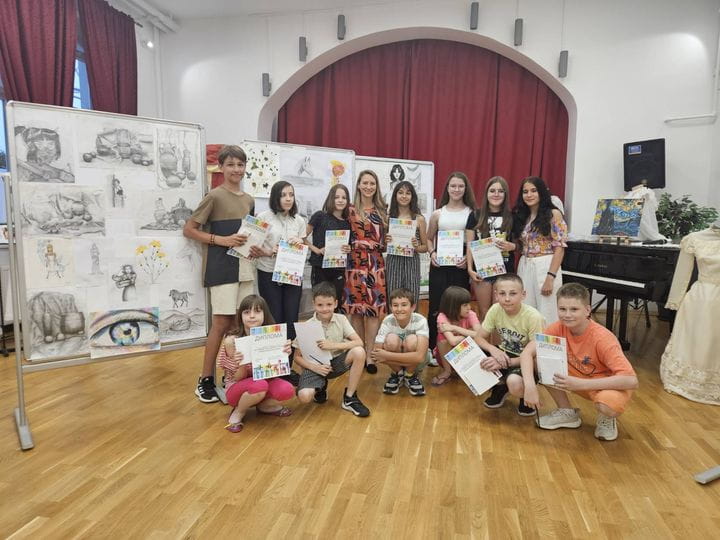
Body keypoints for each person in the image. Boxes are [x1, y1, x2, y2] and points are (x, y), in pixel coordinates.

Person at [520, 283, 639, 441]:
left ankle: (607, 418)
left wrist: (581, 384)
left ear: (587, 310)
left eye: (574, 309)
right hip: (575, 379)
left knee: (607, 405)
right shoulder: (557, 327)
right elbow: (527, 352)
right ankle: (567, 412)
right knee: (539, 358)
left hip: (605, 385)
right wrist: (529, 386)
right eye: (562, 309)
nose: (567, 315)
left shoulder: (603, 338)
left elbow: (631, 381)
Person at [183, 145, 254, 403]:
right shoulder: (213, 196)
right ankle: (205, 379)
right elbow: (189, 229)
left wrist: (256, 248)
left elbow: (249, 235)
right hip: (221, 267)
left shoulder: (249, 200)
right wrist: (220, 240)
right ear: (221, 167)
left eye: (240, 164)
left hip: (245, 267)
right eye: (231, 164)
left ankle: (232, 375)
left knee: (240, 324)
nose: (236, 169)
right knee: (221, 323)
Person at [216, 295, 294, 433]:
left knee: (287, 389)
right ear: (240, 316)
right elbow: (237, 378)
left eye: (257, 311)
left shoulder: (273, 336)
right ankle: (239, 411)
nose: (252, 316)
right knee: (259, 385)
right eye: (247, 312)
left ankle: (264, 406)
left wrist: (282, 356)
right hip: (237, 388)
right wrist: (240, 363)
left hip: (262, 383)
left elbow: (272, 375)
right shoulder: (232, 341)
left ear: (265, 314)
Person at [293, 282, 370, 417]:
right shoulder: (306, 326)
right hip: (314, 367)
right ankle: (319, 387)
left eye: (329, 304)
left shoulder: (341, 319)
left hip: (336, 363)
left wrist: (333, 345)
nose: (325, 309)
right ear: (313, 304)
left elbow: (359, 342)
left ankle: (349, 398)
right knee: (304, 397)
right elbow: (297, 357)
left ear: (335, 303)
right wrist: (315, 368)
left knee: (359, 351)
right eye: (320, 305)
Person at [472, 273, 544, 415]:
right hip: (504, 353)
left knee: (514, 383)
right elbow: (478, 338)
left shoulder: (533, 317)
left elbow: (535, 355)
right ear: (496, 295)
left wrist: (504, 362)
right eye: (502, 293)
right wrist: (493, 349)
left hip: (526, 362)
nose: (507, 298)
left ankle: (526, 397)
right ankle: (501, 387)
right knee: (472, 357)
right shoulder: (495, 309)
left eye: (513, 293)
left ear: (523, 295)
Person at [344, 170, 388, 373]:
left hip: (375, 264)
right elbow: (342, 235)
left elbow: (386, 243)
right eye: (365, 183)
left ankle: (370, 355)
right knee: (356, 311)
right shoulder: (349, 210)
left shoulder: (383, 211)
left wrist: (390, 241)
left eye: (372, 183)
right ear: (359, 185)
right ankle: (359, 352)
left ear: (376, 186)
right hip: (354, 263)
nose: (369, 186)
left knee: (372, 312)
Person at [427, 172, 476, 352]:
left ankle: (459, 349)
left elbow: (473, 242)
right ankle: (434, 348)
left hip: (460, 265)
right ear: (447, 188)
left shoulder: (472, 213)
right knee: (437, 304)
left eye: (460, 186)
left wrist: (468, 260)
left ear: (466, 189)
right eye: (453, 186)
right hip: (439, 265)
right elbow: (429, 239)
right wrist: (432, 253)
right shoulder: (437, 214)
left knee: (459, 306)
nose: (456, 189)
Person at [255, 181, 307, 342]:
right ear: (275, 197)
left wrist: (300, 241)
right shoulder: (263, 217)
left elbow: (304, 244)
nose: (288, 198)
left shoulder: (299, 220)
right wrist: (270, 251)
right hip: (268, 272)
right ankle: (275, 356)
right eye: (283, 195)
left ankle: (290, 357)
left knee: (291, 318)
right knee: (274, 317)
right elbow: (252, 247)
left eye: (291, 195)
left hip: (292, 274)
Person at [512, 176, 567, 324]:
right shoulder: (523, 216)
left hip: (546, 265)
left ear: (541, 192)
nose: (529, 195)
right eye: (525, 192)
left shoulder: (553, 214)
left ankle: (547, 340)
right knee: (526, 310)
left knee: (547, 312)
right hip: (525, 265)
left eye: (533, 191)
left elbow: (560, 247)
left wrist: (550, 277)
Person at [466, 176, 516, 321]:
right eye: (492, 190)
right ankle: (483, 337)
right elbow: (470, 244)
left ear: (505, 194)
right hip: (482, 270)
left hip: (505, 270)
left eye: (500, 191)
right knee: (484, 312)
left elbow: (520, 244)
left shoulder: (512, 216)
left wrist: (512, 246)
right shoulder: (475, 215)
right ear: (486, 193)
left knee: (500, 312)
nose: (496, 194)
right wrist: (469, 269)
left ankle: (498, 338)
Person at [371, 288, 429, 396]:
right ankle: (398, 373)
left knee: (412, 340)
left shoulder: (420, 320)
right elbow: (376, 354)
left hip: (414, 362)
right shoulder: (387, 321)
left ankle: (409, 374)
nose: (399, 309)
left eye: (404, 305)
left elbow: (420, 357)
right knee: (391, 340)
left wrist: (386, 356)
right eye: (395, 305)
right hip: (408, 359)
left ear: (413, 307)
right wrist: (410, 358)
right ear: (390, 307)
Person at [305, 184, 352, 305]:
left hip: (338, 270)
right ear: (331, 198)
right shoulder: (320, 216)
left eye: (344, 197)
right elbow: (302, 237)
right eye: (337, 197)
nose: (340, 200)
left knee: (336, 304)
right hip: (320, 268)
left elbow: (349, 245)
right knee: (321, 303)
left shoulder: (348, 222)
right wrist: (316, 250)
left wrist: (348, 248)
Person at [385, 180, 428, 305]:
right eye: (400, 192)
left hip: (412, 261)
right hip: (393, 260)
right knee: (393, 294)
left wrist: (416, 246)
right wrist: (386, 241)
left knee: (412, 295)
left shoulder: (419, 219)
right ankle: (393, 318)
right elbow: (383, 245)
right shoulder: (389, 218)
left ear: (412, 197)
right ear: (395, 195)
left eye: (408, 193)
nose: (404, 196)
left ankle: (413, 318)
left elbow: (425, 247)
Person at [431, 286, 481, 386]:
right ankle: (447, 371)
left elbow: (480, 335)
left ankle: (467, 370)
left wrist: (454, 328)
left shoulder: (471, 314)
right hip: (446, 358)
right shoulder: (442, 316)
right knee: (443, 340)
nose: (469, 307)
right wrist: (470, 335)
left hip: (465, 354)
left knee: (479, 340)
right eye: (465, 305)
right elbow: (452, 341)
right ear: (453, 306)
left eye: (469, 303)